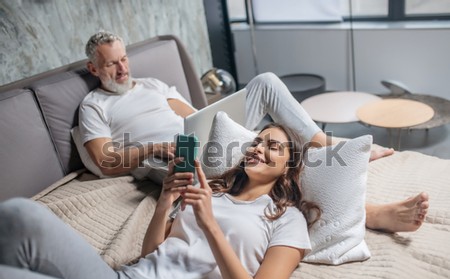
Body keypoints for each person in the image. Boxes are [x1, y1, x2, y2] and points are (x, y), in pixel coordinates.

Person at [79, 31, 428, 233]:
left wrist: (218, 121)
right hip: (169, 157)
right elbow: (104, 160)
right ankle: (369, 213)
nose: (123, 68)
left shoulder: (153, 85)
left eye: (124, 58)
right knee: (270, 168)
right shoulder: (95, 106)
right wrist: (152, 146)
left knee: (264, 83)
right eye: (111, 63)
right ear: (94, 68)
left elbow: (196, 117)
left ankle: (322, 141)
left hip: (197, 139)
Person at [0, 123, 315, 279]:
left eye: (273, 146)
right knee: (19, 215)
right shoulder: (213, 192)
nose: (258, 148)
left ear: (288, 168)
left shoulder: (287, 219)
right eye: (257, 142)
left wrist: (211, 227)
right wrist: (166, 199)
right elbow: (153, 251)